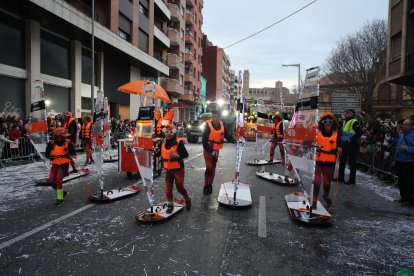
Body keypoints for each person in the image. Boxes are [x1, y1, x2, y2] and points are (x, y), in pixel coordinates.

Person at [157, 123, 191, 213]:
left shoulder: (178, 142)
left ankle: (187, 199)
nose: (168, 134)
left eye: (171, 132)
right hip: (168, 170)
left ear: (174, 133)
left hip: (178, 170)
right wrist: (156, 151)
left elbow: (185, 154)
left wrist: (177, 156)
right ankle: (170, 205)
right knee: (168, 189)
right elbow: (159, 154)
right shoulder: (163, 142)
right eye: (167, 132)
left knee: (180, 188)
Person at [202, 109, 236, 195]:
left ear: (219, 117)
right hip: (208, 150)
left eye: (216, 117)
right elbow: (204, 141)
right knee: (209, 168)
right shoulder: (208, 126)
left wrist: (235, 141)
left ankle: (210, 185)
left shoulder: (222, 125)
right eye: (213, 116)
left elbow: (227, 136)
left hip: (216, 150)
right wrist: (210, 151)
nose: (214, 118)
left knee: (213, 168)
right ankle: (206, 186)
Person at [312, 112, 341, 209]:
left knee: (327, 182)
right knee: (317, 181)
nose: (328, 123)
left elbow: (341, 145)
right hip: (318, 162)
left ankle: (326, 195)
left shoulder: (337, 134)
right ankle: (314, 201)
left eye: (330, 121)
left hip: (330, 163)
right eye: (325, 121)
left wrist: (340, 148)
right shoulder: (317, 133)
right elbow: (308, 140)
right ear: (322, 122)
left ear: (333, 123)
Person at [45, 127, 77, 206]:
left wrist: (72, 155)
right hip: (55, 164)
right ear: (56, 136)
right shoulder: (51, 144)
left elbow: (73, 152)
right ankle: (62, 192)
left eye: (65, 135)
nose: (64, 137)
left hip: (64, 165)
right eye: (62, 136)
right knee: (51, 182)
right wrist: (50, 156)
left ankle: (60, 199)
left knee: (58, 180)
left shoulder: (67, 143)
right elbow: (47, 154)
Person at [338, 109, 363, 185]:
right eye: (346, 112)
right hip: (345, 144)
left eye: (348, 113)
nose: (346, 114)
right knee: (342, 162)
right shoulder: (345, 121)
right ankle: (341, 178)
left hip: (352, 144)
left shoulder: (354, 121)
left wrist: (351, 138)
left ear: (352, 114)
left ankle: (352, 180)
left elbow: (360, 132)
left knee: (352, 163)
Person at [393, 119, 414, 206]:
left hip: (409, 162)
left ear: (411, 126)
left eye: (406, 125)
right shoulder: (402, 135)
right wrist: (395, 159)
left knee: (408, 182)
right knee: (401, 181)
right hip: (400, 161)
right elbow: (398, 148)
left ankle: (410, 200)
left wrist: (406, 149)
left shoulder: (412, 135)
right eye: (403, 124)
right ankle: (403, 197)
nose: (403, 126)